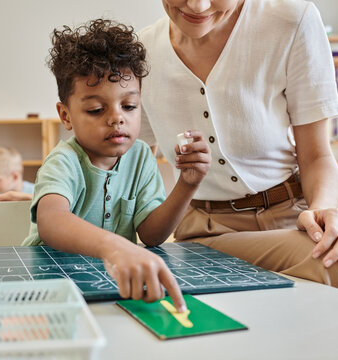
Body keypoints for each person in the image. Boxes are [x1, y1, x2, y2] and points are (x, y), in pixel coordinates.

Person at [138, 0, 338, 286]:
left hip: (291, 223)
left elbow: (317, 156)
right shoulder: (141, 53)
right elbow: (125, 163)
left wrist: (322, 212)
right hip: (202, 235)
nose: (198, 6)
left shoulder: (292, 21)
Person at [22, 19, 212, 312]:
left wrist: (187, 184)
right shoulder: (65, 160)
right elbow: (51, 222)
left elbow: (151, 234)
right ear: (66, 115)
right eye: (96, 109)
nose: (116, 118)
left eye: (129, 106)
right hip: (51, 284)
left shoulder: (141, 158)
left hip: (109, 284)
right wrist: (116, 246)